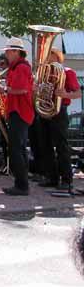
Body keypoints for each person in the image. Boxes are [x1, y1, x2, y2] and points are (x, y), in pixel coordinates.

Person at [0, 37, 34, 196]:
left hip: (20, 111)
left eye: (8, 52)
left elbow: (22, 89)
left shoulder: (21, 68)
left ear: (17, 52)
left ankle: (21, 185)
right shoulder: (17, 67)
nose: (6, 55)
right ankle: (21, 183)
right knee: (19, 149)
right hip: (18, 111)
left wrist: (3, 90)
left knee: (16, 149)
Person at [37, 47, 81, 189]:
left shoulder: (68, 72)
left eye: (47, 55)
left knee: (61, 146)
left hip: (59, 111)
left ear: (55, 56)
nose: (44, 58)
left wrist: (64, 94)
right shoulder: (43, 73)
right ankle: (52, 178)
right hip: (44, 111)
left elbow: (78, 93)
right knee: (45, 146)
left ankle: (67, 180)